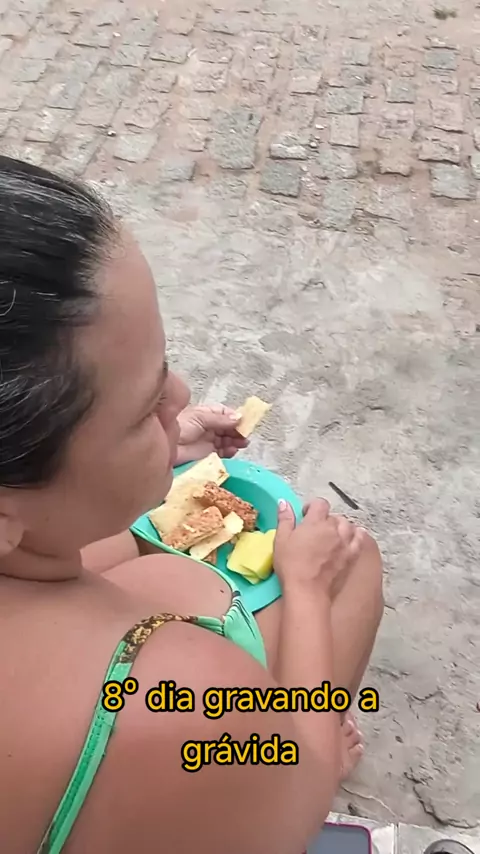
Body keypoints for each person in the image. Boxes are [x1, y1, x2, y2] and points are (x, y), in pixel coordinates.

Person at [0, 156, 384, 854]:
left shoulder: (21, 549)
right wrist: (303, 586)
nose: (178, 396)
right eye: (144, 407)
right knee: (352, 569)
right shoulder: (178, 705)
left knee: (161, 564)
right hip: (225, 754)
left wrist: (161, 443)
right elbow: (301, 776)